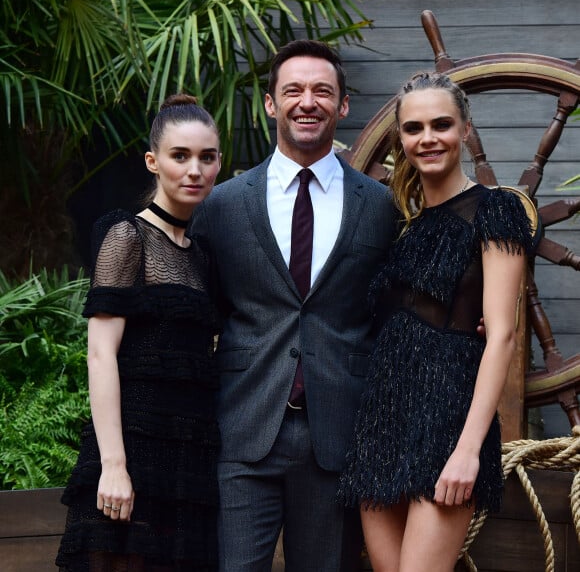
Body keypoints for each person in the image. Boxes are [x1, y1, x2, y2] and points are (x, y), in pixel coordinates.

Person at [190, 40, 396, 571]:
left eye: (322, 91)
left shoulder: (377, 207)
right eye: (294, 91)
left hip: (337, 435)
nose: (308, 102)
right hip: (243, 428)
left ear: (343, 106)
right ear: (270, 104)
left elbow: (393, 312)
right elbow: (199, 312)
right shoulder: (224, 205)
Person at [337, 71, 535, 572]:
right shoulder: (403, 225)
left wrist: (468, 450)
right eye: (414, 128)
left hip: (448, 421)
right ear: (400, 139)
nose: (428, 138)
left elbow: (502, 336)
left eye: (441, 124)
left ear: (465, 129)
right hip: (381, 421)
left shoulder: (497, 209)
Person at [56, 94, 223, 571]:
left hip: (187, 464)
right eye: (180, 156)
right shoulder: (126, 235)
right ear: (153, 162)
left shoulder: (201, 254)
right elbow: (100, 354)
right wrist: (113, 465)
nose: (195, 170)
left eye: (207, 157)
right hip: (130, 455)